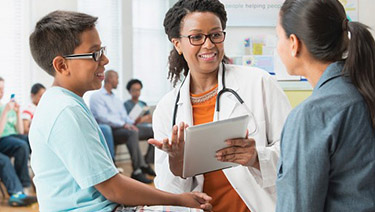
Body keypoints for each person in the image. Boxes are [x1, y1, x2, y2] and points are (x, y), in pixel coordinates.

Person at [28, 10, 212, 211]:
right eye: (95, 53)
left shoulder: (61, 102)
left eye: (103, 50)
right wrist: (179, 199)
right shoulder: (66, 110)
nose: (105, 60)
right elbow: (113, 188)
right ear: (62, 65)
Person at [148, 0, 291, 211]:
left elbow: (295, 153)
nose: (208, 45)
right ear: (177, 44)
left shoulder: (259, 83)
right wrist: (177, 166)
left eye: (215, 35)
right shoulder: (167, 109)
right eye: (196, 37)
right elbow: (171, 194)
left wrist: (256, 158)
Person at [275, 0, 375, 211]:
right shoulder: (364, 90)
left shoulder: (312, 115)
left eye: (278, 37)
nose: (278, 46)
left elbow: (298, 207)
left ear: (294, 43)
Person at [90, 70, 155, 184]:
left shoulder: (116, 99)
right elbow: (102, 117)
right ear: (110, 79)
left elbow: (125, 117)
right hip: (110, 130)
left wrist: (133, 122)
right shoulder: (97, 96)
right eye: (117, 79)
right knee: (132, 133)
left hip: (122, 128)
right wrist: (124, 125)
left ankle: (144, 164)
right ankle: (138, 170)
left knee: (148, 130)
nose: (118, 82)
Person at [0, 77, 37, 207]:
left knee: (32, 140)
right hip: (2, 140)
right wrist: (5, 112)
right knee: (20, 146)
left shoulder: (7, 107)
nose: (1, 92)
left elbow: (20, 131)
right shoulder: (4, 109)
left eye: (2, 89)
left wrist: (17, 113)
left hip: (12, 138)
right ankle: (24, 187)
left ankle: (44, 178)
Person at [124, 79, 154, 164]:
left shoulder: (143, 103)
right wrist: (143, 119)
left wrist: (141, 119)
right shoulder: (126, 104)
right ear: (129, 91)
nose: (137, 92)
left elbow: (150, 118)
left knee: (156, 131)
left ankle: (149, 159)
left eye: (139, 89)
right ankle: (142, 163)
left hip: (146, 127)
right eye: (134, 90)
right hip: (135, 128)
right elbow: (131, 120)